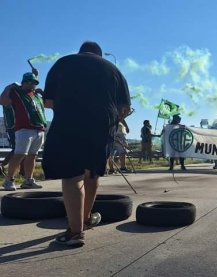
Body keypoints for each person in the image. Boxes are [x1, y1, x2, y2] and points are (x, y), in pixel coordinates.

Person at [43, 41, 131, 247]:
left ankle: (75, 233)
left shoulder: (63, 63)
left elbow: (48, 102)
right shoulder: (114, 70)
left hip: (68, 124)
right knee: (92, 172)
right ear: (100, 55)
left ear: (80, 52)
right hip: (102, 126)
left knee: (72, 175)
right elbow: (125, 107)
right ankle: (85, 219)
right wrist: (113, 120)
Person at [1, 71, 47, 191]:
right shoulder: (17, 93)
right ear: (24, 83)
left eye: (35, 83)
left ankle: (28, 180)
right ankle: (9, 180)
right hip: (24, 128)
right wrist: (8, 87)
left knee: (33, 156)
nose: (33, 85)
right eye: (31, 82)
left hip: (39, 128)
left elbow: (47, 104)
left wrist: (43, 93)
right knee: (20, 154)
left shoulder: (36, 95)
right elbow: (3, 101)